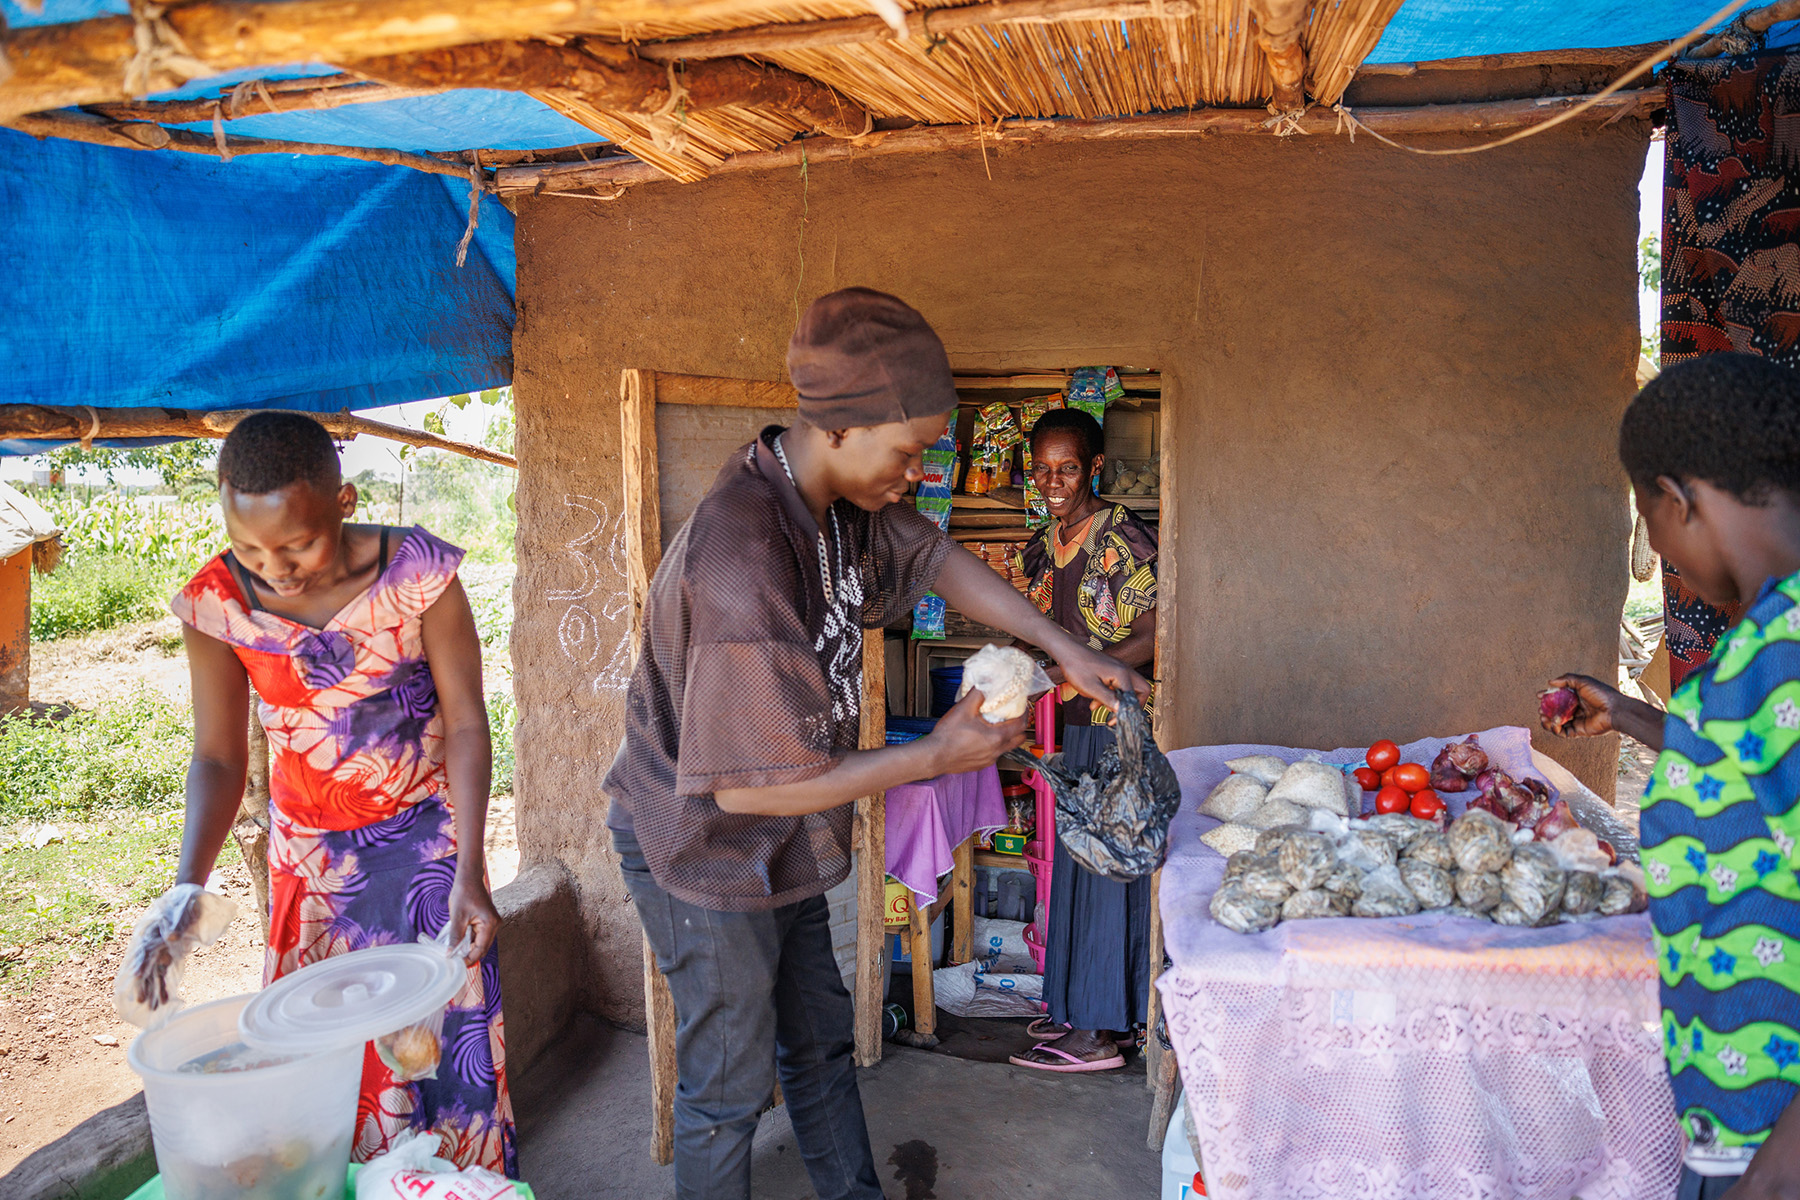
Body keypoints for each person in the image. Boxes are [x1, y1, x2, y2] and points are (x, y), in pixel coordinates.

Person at [603, 288, 1148, 1200]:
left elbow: (937, 558)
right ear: (842, 428)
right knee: (728, 1088)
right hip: (700, 845)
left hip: (781, 831)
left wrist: (1067, 649)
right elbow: (744, 789)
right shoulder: (743, 552)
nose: (916, 471)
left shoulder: (833, 501)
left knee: (819, 1044)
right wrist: (934, 757)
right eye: (906, 452)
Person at [168, 412, 515, 1174]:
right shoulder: (218, 604)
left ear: (344, 501)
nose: (276, 568)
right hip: (314, 876)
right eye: (250, 547)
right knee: (325, 1072)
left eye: (296, 544)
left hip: (430, 861)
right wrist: (186, 885)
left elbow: (465, 723)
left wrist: (469, 871)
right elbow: (219, 758)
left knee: (445, 1061)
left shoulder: (418, 575)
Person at [1540, 353, 1800, 1200]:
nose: (1656, 545)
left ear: (1676, 499)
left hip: (1772, 1147)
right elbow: (1758, 775)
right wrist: (1632, 714)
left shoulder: (1787, 650)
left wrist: (1773, 1178)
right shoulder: (1770, 639)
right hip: (1735, 1122)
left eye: (1647, 517)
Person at [1006, 407, 1158, 1072]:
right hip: (1071, 728)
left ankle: (1098, 1033)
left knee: (1104, 873)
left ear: (1094, 467)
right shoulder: (1048, 541)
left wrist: (1076, 672)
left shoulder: (1123, 538)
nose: (1053, 482)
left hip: (1115, 726)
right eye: (1041, 469)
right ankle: (1094, 1015)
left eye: (1067, 468)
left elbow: (1155, 630)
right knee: (1082, 870)